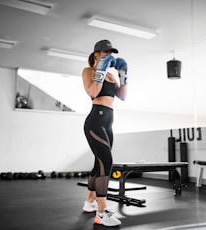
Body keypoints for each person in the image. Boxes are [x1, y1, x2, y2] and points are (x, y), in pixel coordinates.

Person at [81, 40, 128, 227]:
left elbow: (123, 96)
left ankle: (89, 202)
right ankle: (101, 211)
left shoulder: (110, 75)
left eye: (110, 52)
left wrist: (123, 74)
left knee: (98, 163)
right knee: (106, 162)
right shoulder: (89, 71)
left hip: (109, 122)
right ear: (96, 54)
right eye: (104, 52)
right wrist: (99, 69)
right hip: (95, 121)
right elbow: (93, 92)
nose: (108, 55)